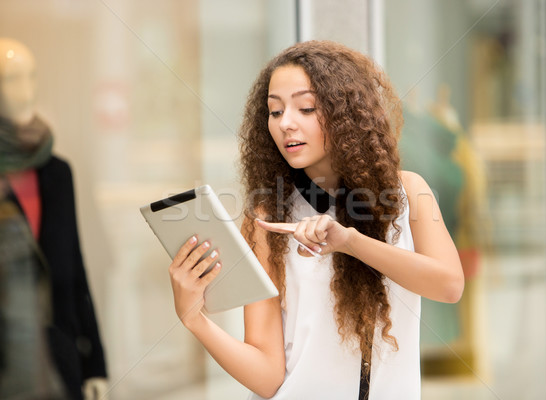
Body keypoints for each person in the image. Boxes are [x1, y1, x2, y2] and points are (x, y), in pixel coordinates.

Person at [168, 40, 464, 399]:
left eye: (305, 108)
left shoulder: (408, 193)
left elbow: (449, 285)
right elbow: (269, 377)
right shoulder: (269, 218)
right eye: (275, 112)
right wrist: (195, 319)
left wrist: (350, 242)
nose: (285, 124)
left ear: (346, 114)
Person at [0, 38, 108, 400]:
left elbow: (74, 272)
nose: (26, 91)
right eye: (12, 80)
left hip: (56, 363)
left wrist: (95, 363)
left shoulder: (56, 172)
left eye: (31, 77)